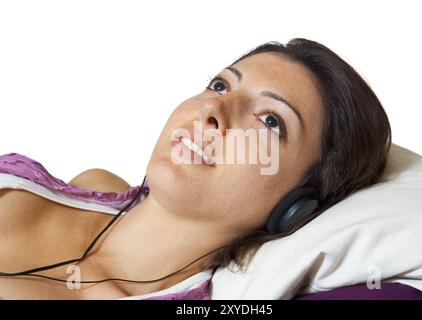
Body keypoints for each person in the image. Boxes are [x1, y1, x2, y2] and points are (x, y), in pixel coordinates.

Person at [0, 38, 391, 299]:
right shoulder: (88, 183)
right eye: (221, 86)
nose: (213, 110)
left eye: (270, 120)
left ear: (298, 206)